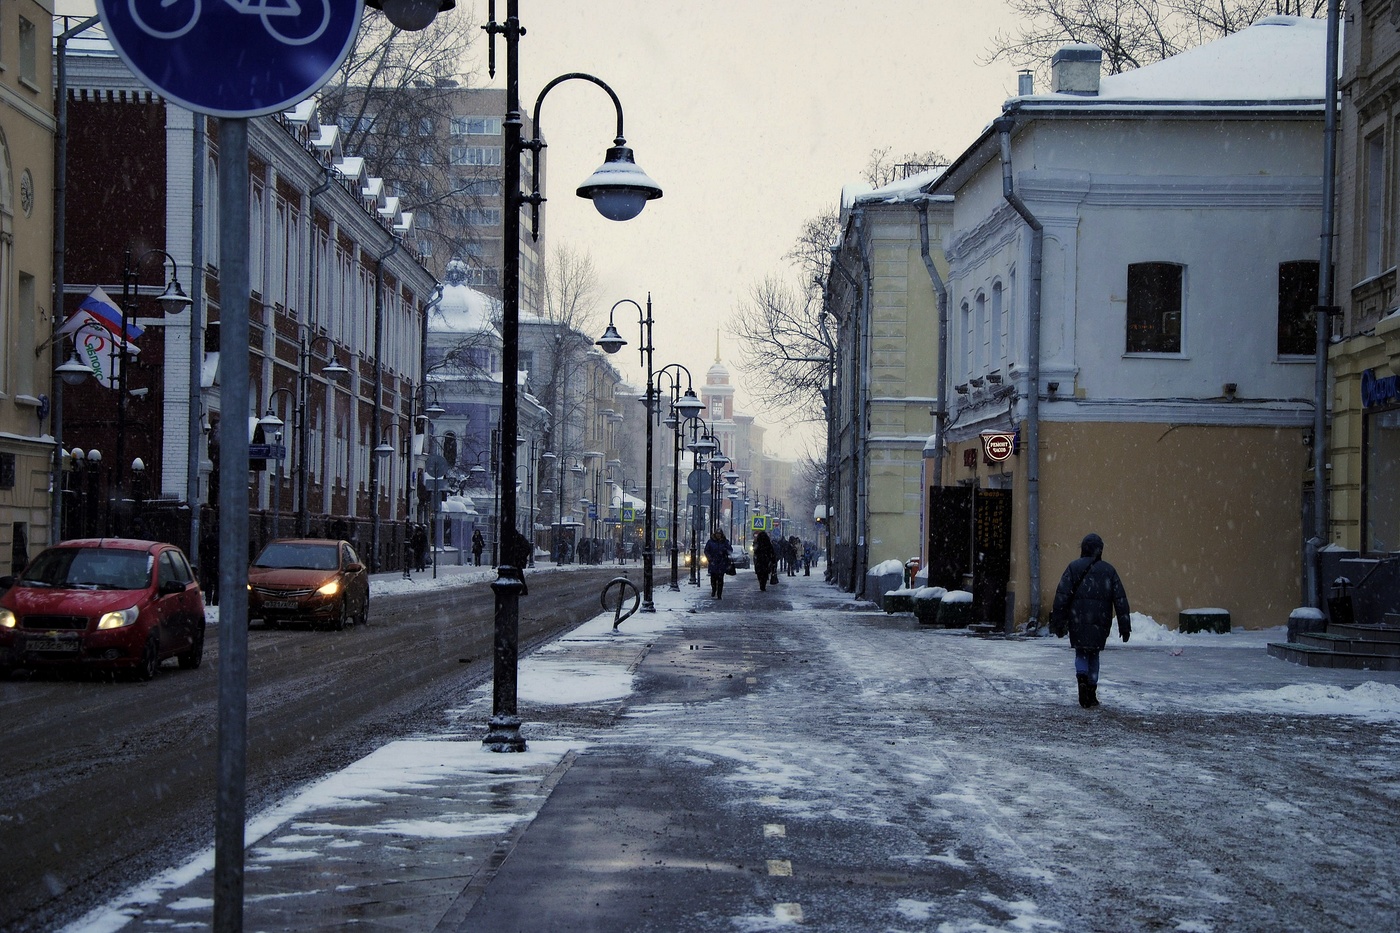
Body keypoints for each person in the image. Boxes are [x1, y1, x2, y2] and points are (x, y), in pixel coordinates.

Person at [1050, 533, 1131, 709]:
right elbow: (1120, 599)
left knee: (1081, 652)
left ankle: (1082, 681)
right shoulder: (1109, 570)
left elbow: (1062, 596)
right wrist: (1125, 626)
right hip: (1101, 620)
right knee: (1094, 654)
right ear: (1100, 550)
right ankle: (1092, 692)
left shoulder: (1073, 568)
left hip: (1078, 619)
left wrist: (1058, 622)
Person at [704, 529, 731, 599]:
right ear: (715, 534)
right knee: (713, 579)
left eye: (720, 534)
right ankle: (714, 589)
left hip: (722, 563)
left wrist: (726, 550)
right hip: (713, 563)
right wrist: (710, 558)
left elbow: (730, 550)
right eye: (717, 534)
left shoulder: (725, 542)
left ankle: (719, 594)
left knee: (720, 580)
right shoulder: (710, 542)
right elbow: (706, 550)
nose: (718, 535)